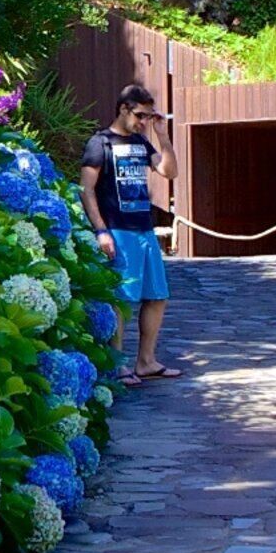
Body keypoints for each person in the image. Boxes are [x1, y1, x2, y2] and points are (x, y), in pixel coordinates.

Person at [81, 84, 179, 381]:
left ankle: (146, 361)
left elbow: (169, 172)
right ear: (123, 109)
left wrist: (162, 137)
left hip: (143, 229)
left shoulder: (141, 141)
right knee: (121, 299)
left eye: (148, 116)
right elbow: (87, 190)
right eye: (140, 115)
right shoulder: (100, 143)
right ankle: (118, 363)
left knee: (157, 295)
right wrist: (101, 230)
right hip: (118, 230)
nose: (143, 122)